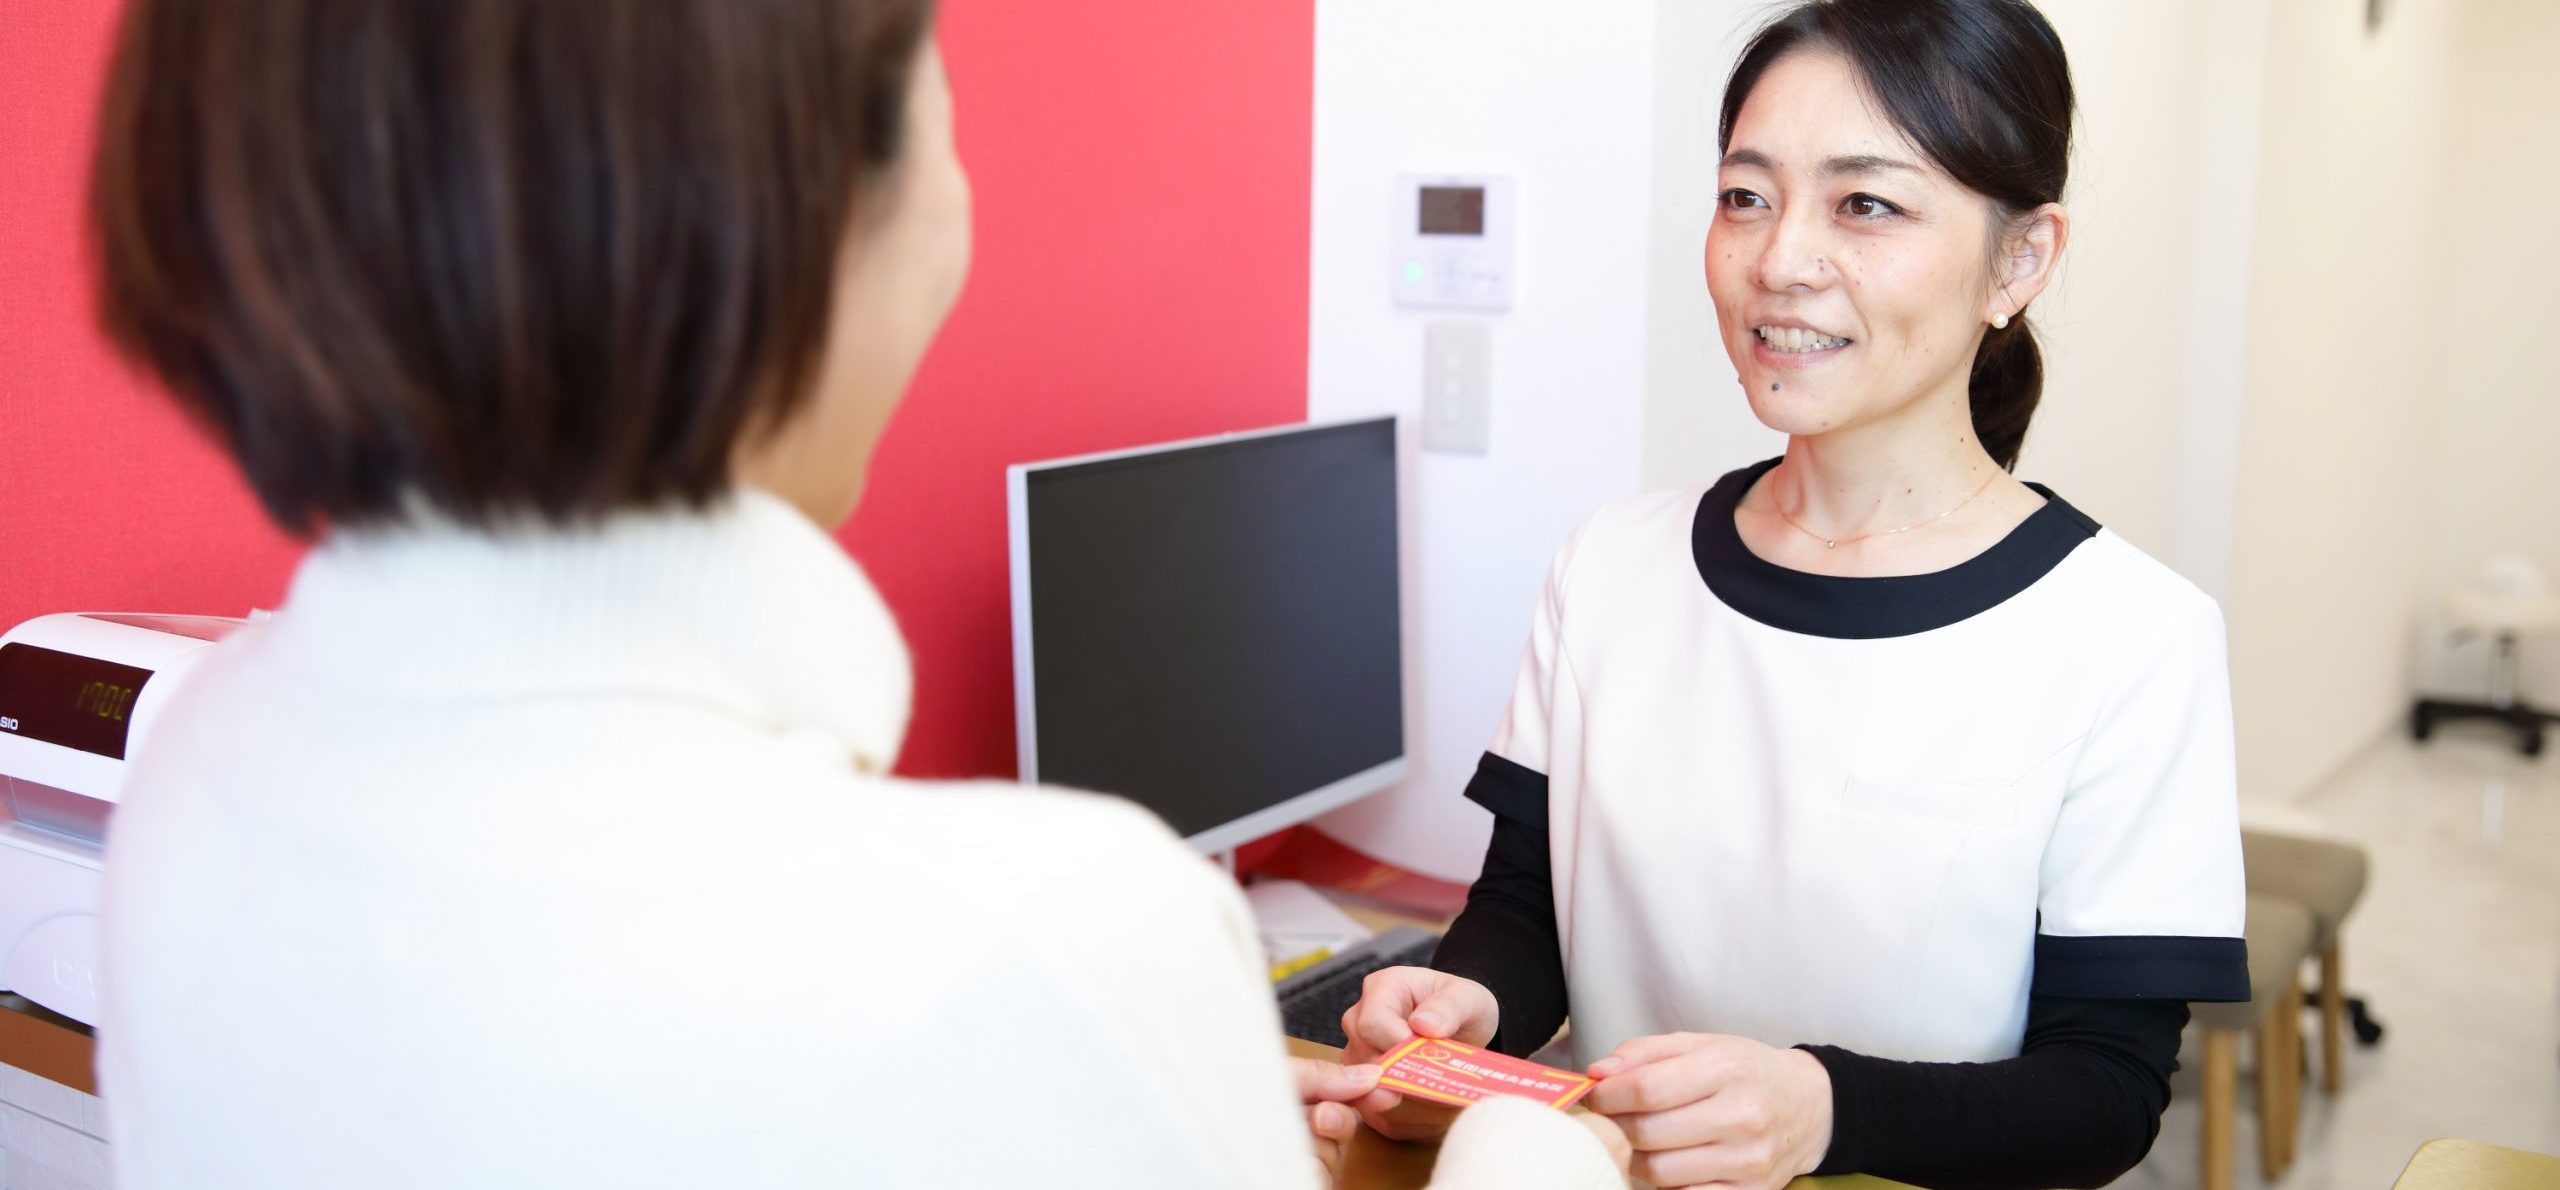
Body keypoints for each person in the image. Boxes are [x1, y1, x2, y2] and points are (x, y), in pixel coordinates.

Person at [84, 2, 1626, 1186]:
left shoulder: (188, 759)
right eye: (941, 121)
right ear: (796, 231)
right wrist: (1529, 1151)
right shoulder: (1066, 926)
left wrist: (1149, 1075)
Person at [1338, 2, 2249, 1188]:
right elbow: (1531, 906)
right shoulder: (1610, 564)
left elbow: (2106, 1091)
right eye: (1745, 195)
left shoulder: (2130, 635)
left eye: (1865, 203)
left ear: (2018, 259)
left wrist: (1825, 1110)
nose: (1779, 261)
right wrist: (1466, 1010)